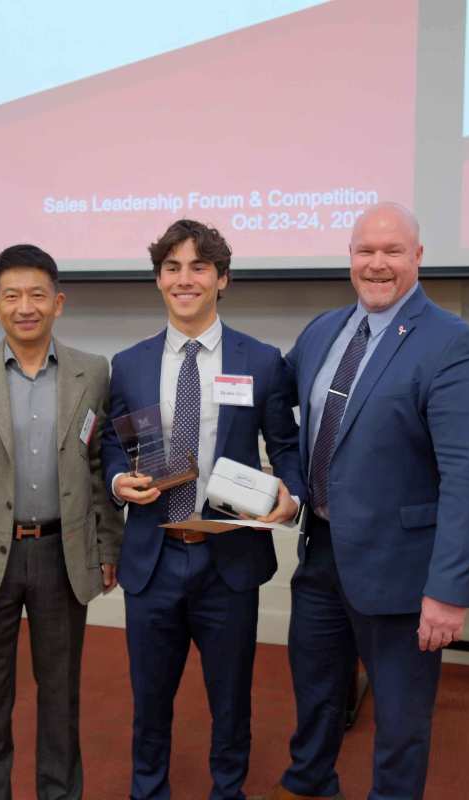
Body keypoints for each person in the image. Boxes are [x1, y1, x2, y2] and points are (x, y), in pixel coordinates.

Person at [253, 203, 469, 800]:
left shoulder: (451, 343)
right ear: (351, 258)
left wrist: (447, 590)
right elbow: (275, 401)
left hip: (403, 570)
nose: (378, 264)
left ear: (418, 257)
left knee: (400, 720)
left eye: (392, 251)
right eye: (366, 251)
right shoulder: (323, 331)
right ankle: (308, 784)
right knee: (315, 691)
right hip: (323, 553)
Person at [102, 219, 306, 800]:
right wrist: (119, 480)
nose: (184, 279)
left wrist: (290, 497)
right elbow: (116, 443)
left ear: (223, 279)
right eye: (172, 268)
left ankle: (228, 790)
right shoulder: (131, 364)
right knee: (149, 699)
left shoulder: (263, 362)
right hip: (154, 556)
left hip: (228, 561)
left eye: (198, 267)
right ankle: (149, 791)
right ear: (159, 280)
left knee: (231, 699)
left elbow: (286, 448)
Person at [0, 244, 123, 800]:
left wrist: (109, 545)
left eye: (37, 295)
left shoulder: (91, 371)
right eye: (12, 296)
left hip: (63, 556)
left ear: (59, 303)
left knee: (61, 701)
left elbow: (100, 464)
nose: (25, 306)